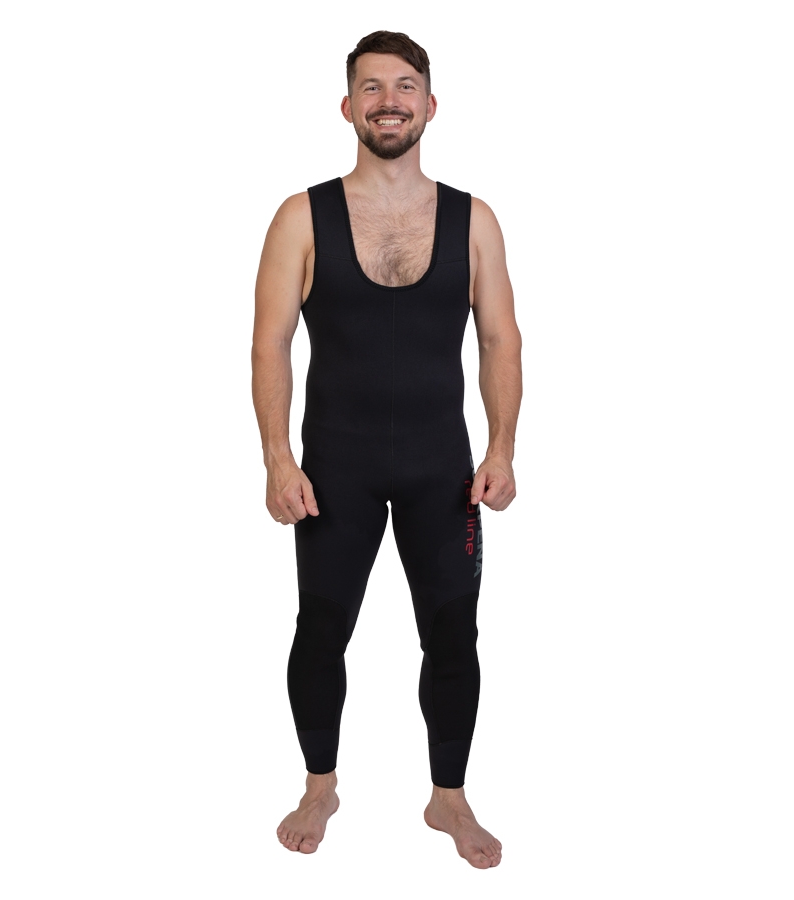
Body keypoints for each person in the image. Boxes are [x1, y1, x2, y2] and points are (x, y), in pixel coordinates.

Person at [251, 30, 522, 869]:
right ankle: (319, 784)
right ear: (347, 107)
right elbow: (269, 344)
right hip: (336, 469)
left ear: (430, 105)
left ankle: (449, 797)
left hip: (444, 468)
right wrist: (277, 460)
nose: (389, 101)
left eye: (405, 86)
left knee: (453, 635)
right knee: (320, 629)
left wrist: (503, 448)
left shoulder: (474, 220)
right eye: (371, 87)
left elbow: (501, 340)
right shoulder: (302, 217)